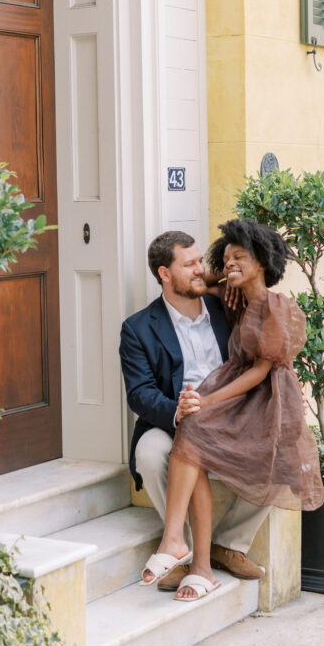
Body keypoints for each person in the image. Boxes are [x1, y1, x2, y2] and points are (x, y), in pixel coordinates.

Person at [140, 219, 324, 601]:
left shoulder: (274, 305)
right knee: (190, 431)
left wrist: (206, 401)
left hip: (263, 395)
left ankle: (220, 546)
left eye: (241, 257)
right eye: (224, 259)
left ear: (262, 262)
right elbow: (205, 282)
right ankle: (185, 549)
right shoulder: (230, 293)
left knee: (276, 457)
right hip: (231, 390)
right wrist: (220, 271)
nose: (228, 266)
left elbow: (261, 370)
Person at [119, 230, 271, 593]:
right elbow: (139, 394)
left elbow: (252, 284)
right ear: (164, 274)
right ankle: (185, 554)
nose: (201, 270)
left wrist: (212, 275)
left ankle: (229, 545)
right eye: (189, 265)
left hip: (229, 413)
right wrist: (177, 411)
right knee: (151, 453)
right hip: (175, 414)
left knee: (280, 449)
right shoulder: (138, 328)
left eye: (202, 261)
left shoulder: (225, 306)